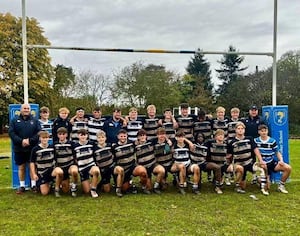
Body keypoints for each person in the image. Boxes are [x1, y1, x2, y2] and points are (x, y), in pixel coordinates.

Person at [9, 103, 41, 194]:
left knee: (32, 167)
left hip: (32, 148)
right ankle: (22, 186)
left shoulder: (35, 120)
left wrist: (30, 141)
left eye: (28, 108)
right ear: (21, 109)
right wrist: (21, 141)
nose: (26, 110)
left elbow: (39, 133)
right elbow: (11, 133)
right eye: (24, 108)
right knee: (21, 167)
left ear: (30, 110)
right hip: (19, 148)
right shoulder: (14, 120)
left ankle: (34, 185)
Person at [227, 122, 263, 194]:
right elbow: (229, 155)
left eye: (242, 128)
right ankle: (237, 185)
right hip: (239, 164)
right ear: (236, 130)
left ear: (244, 130)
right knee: (243, 186)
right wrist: (229, 165)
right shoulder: (232, 142)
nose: (240, 130)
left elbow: (255, 149)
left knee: (264, 171)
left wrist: (261, 160)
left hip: (249, 162)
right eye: (238, 128)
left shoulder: (249, 139)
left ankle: (259, 179)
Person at [254, 124, 292, 195]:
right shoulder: (256, 141)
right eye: (262, 131)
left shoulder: (272, 141)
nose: (264, 133)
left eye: (265, 131)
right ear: (259, 132)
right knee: (267, 187)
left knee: (288, 168)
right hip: (262, 164)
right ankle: (259, 179)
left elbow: (277, 152)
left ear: (267, 131)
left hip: (271, 162)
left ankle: (281, 185)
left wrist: (281, 160)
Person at [112, 129, 149, 194]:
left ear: (127, 136)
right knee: (124, 189)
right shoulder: (114, 146)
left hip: (132, 167)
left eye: (124, 136)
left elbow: (141, 141)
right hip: (122, 169)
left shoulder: (132, 143)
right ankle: (128, 185)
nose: (123, 138)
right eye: (121, 136)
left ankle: (144, 187)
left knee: (143, 172)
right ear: (118, 136)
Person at [30, 131, 64, 197]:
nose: (45, 139)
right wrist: (34, 174)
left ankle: (57, 189)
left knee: (59, 172)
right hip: (42, 172)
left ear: (49, 138)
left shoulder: (52, 147)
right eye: (43, 138)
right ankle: (50, 183)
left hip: (51, 170)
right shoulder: (35, 149)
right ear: (40, 138)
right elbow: (32, 162)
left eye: (46, 138)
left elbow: (56, 159)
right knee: (44, 193)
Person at [94, 130, 124, 197]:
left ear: (105, 138)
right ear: (97, 139)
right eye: (99, 137)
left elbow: (115, 154)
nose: (101, 139)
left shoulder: (110, 146)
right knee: (107, 190)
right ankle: (101, 183)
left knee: (120, 170)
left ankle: (118, 189)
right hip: (103, 170)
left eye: (102, 137)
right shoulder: (94, 148)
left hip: (112, 167)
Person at [135, 129, 165, 194]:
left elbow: (161, 137)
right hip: (143, 167)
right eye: (141, 135)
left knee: (162, 170)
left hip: (153, 164)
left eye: (144, 135)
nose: (142, 137)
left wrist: (168, 140)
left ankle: (156, 187)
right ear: (138, 137)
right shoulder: (135, 145)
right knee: (149, 188)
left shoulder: (151, 142)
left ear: (146, 136)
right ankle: (144, 186)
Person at [171, 130, 200, 195]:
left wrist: (187, 141)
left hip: (187, 163)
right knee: (181, 166)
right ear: (176, 138)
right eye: (179, 137)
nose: (180, 138)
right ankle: (181, 186)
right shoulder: (174, 145)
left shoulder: (187, 145)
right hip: (177, 164)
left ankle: (195, 187)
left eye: (182, 137)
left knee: (196, 168)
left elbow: (192, 146)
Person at [73, 129, 100, 198]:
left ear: (87, 135)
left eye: (84, 135)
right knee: (86, 191)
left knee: (96, 171)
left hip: (91, 165)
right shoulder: (75, 146)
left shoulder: (91, 144)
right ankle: (89, 185)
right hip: (82, 168)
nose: (83, 137)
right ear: (78, 136)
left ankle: (93, 189)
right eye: (81, 135)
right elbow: (74, 157)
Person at [242, 105, 266, 184]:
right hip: (248, 143)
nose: (254, 111)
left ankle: (263, 175)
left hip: (259, 143)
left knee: (260, 159)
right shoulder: (245, 120)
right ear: (249, 111)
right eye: (252, 110)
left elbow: (264, 130)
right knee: (251, 159)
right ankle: (254, 176)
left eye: (255, 110)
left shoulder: (261, 120)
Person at [53, 127, 79, 197]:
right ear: (57, 135)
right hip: (60, 166)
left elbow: (76, 154)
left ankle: (74, 187)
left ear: (66, 135)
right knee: (65, 190)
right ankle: (57, 189)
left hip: (70, 165)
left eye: (63, 134)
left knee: (74, 171)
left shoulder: (71, 144)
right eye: (60, 134)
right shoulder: (54, 145)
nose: (62, 136)